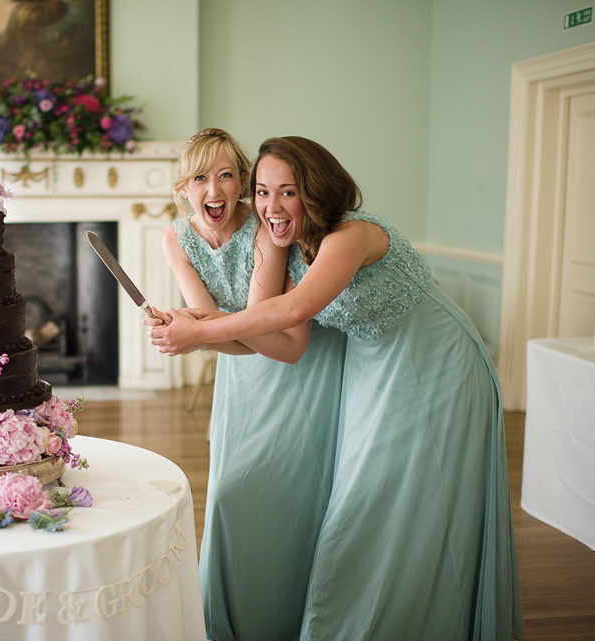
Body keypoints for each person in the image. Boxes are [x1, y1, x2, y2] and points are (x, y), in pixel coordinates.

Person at [149, 136, 524, 640]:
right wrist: (194, 325)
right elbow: (270, 326)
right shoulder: (293, 245)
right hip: (371, 367)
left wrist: (197, 332)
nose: (270, 206)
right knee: (372, 498)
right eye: (262, 192)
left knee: (399, 499)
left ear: (316, 191)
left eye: (287, 192)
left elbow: (292, 312)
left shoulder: (349, 235)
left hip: (437, 358)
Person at [150, 129, 347, 640]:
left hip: (294, 375)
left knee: (291, 496)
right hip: (240, 378)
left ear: (241, 183)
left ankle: (285, 616)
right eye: (200, 177)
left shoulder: (263, 229)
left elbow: (248, 327)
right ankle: (232, 619)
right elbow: (213, 326)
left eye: (226, 175)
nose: (213, 189)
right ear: (183, 187)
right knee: (229, 497)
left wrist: (198, 332)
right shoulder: (176, 237)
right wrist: (193, 331)